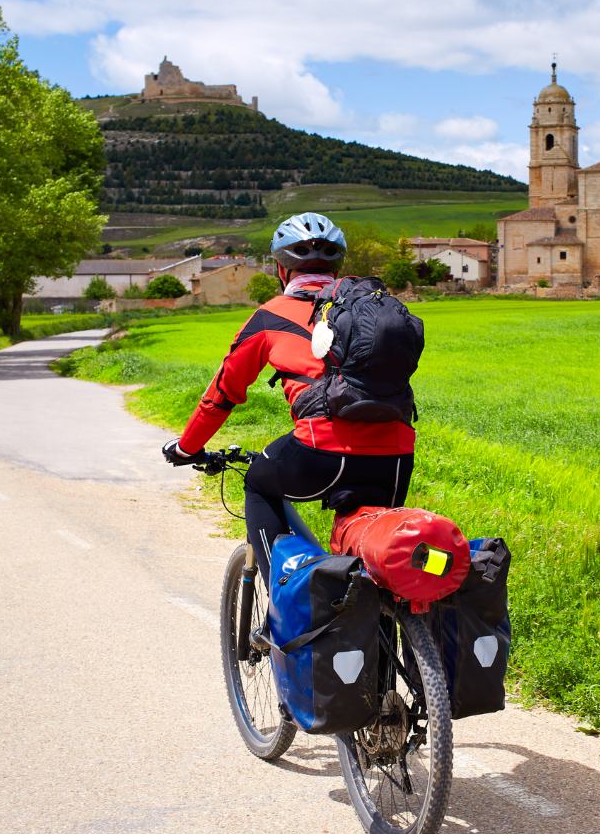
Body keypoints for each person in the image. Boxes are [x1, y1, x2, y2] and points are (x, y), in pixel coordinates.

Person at [161, 212, 415, 576]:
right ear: (337, 268)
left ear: (282, 270)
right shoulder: (373, 311)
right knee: (378, 560)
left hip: (319, 451)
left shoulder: (270, 317)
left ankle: (277, 596)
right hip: (395, 454)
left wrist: (187, 448)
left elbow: (221, 395)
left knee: (258, 483)